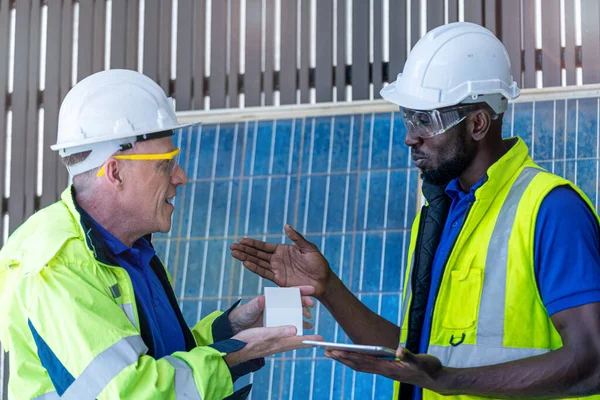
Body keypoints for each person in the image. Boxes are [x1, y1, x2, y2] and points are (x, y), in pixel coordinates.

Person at [230, 22, 600, 399]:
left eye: (426, 120)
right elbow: (420, 361)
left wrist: (448, 381)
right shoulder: (442, 212)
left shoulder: (551, 209)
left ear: (478, 123)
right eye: (409, 117)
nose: (410, 136)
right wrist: (329, 288)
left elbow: (593, 363)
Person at [0, 69, 322, 400]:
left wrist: (232, 328)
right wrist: (236, 354)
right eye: (165, 165)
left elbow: (161, 360)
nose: (181, 177)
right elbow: (132, 392)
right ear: (115, 173)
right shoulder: (56, 265)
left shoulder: (127, 251)